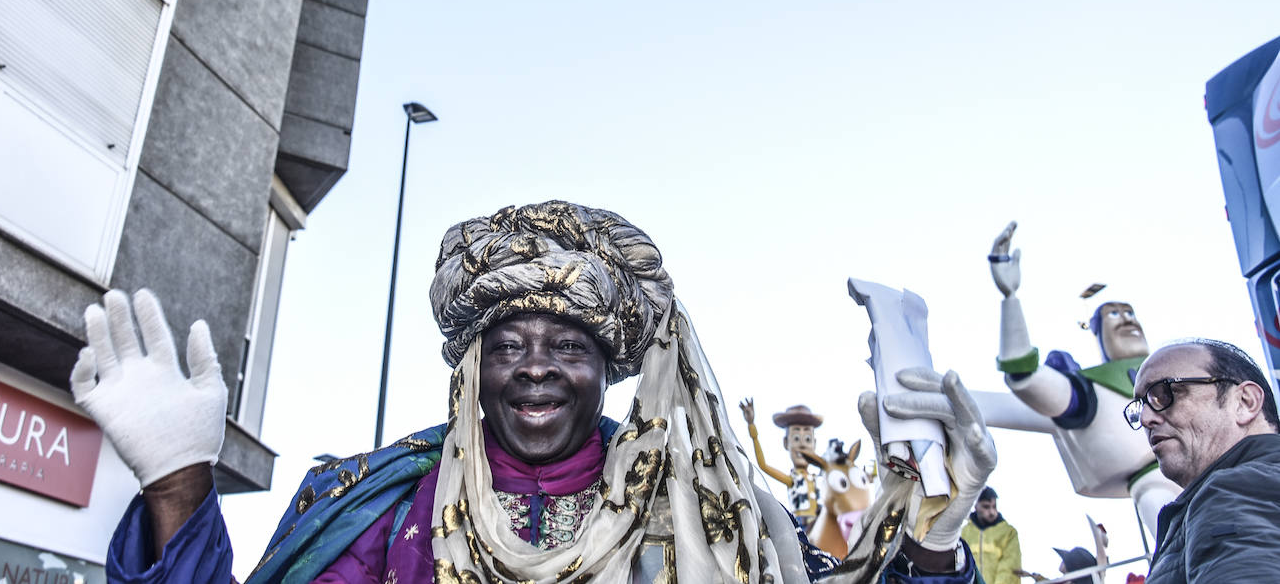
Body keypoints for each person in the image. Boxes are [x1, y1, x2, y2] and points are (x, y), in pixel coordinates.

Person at [71, 201, 999, 584]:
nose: (537, 365)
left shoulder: (714, 514)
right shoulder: (379, 507)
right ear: (471, 369)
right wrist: (178, 488)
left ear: (608, 367)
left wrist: (931, 541)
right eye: (508, 344)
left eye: (567, 345)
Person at [986, 222, 1178, 536]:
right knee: (1171, 526)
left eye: (1129, 313)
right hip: (1154, 486)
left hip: (1219, 477)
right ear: (1099, 332)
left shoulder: (1184, 369)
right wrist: (1011, 299)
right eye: (1114, 315)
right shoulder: (1090, 389)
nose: (1127, 321)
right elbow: (1027, 377)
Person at [1125, 338, 1280, 582]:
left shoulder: (1232, 490)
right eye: (1140, 406)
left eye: (1164, 393)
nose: (1145, 419)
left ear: (1245, 402)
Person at [738, 401, 827, 529]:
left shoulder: (819, 479)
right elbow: (763, 465)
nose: (802, 445)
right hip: (803, 527)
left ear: (815, 443)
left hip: (822, 525)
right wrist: (752, 426)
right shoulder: (793, 480)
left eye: (808, 439)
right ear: (786, 443)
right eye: (796, 438)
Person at [958, 486, 1020, 584]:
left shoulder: (1008, 533)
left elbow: (1009, 569)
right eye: (986, 507)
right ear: (976, 505)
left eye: (994, 506)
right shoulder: (963, 534)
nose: (992, 512)